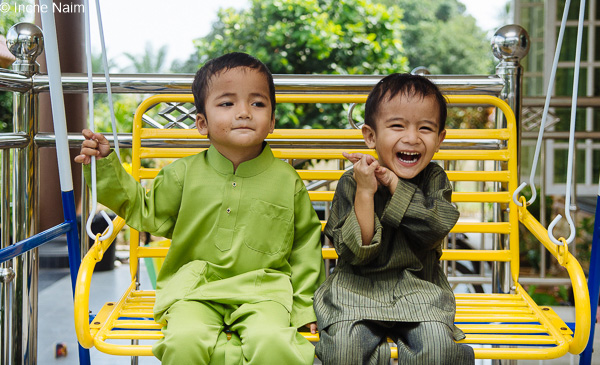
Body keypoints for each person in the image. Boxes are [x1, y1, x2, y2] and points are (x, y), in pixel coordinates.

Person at [74, 52, 325, 364]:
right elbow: (144, 211)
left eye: (258, 103)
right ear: (202, 124)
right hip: (194, 289)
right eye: (227, 103)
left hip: (265, 292)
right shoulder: (182, 174)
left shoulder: (288, 182)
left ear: (272, 122)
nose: (244, 112)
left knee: (273, 343)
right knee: (183, 342)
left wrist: (303, 307)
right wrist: (106, 166)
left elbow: (305, 247)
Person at [313, 73, 475, 364]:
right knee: (343, 349)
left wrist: (394, 184)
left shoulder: (435, 179)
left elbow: (436, 226)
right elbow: (355, 252)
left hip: (420, 293)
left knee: (439, 348)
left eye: (425, 128)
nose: (412, 138)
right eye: (397, 126)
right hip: (355, 294)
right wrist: (366, 191)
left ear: (439, 140)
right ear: (370, 136)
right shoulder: (352, 182)